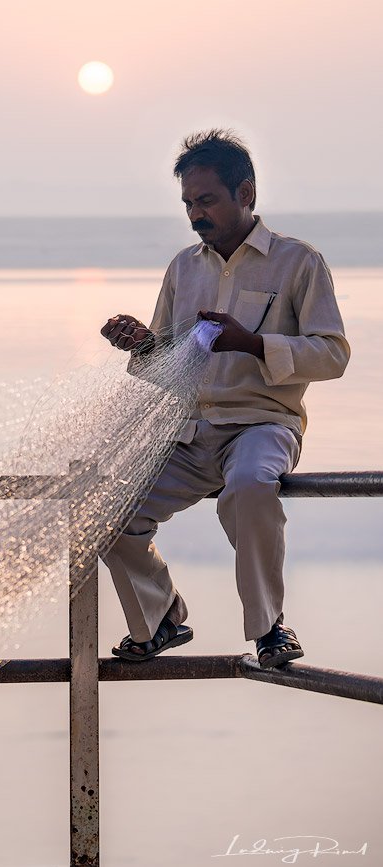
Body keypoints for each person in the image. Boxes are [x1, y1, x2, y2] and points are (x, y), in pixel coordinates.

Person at [99, 130, 349, 669]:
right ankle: (160, 618)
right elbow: (165, 363)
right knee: (109, 514)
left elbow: (332, 356)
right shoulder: (183, 267)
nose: (195, 214)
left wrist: (253, 344)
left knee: (252, 485)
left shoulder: (298, 262)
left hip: (262, 424)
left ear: (246, 193)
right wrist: (140, 345)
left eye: (206, 200)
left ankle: (269, 629)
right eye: (188, 202)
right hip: (188, 432)